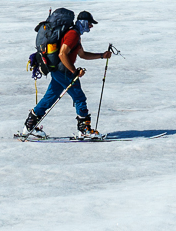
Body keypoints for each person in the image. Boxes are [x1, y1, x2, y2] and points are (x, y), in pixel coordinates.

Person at [24, 9, 111, 138]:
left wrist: (101, 56)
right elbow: (62, 53)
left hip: (58, 71)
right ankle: (84, 130)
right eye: (90, 23)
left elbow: (82, 54)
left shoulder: (75, 35)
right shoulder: (73, 35)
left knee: (50, 97)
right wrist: (74, 71)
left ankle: (29, 126)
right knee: (79, 97)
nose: (91, 26)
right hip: (63, 71)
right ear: (84, 22)